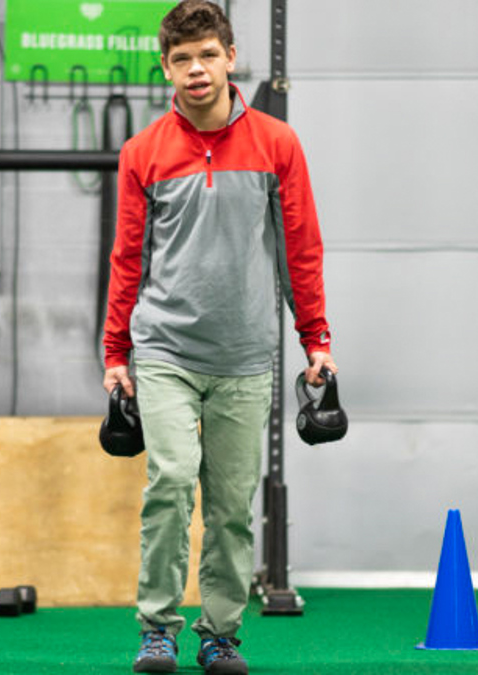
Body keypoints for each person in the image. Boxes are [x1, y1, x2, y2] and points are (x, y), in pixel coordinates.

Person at [102, 2, 336, 673]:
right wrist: (115, 351)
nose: (196, 70)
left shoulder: (277, 143)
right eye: (182, 59)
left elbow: (300, 248)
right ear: (166, 68)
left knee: (232, 507)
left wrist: (316, 337)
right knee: (172, 482)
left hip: (244, 357)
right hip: (165, 351)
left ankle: (220, 633)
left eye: (208, 55)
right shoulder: (142, 152)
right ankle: (157, 627)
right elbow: (127, 257)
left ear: (230, 56)